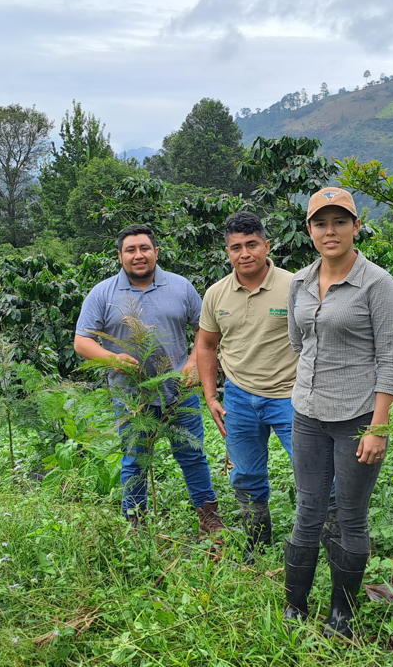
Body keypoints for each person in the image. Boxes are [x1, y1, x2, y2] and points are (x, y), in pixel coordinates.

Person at [283, 187, 393, 638]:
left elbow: (389, 359)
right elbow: (299, 341)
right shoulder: (299, 282)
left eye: (339, 222)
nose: (329, 231)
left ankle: (342, 615)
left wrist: (378, 427)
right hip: (308, 413)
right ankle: (295, 606)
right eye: (320, 223)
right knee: (308, 509)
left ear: (356, 226)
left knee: (350, 515)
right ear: (310, 230)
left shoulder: (377, 283)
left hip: (356, 419)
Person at [73, 224, 225, 536]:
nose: (138, 255)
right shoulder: (102, 293)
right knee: (134, 461)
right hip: (132, 398)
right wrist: (112, 359)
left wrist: (194, 362)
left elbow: (205, 329)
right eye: (130, 250)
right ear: (120, 256)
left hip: (179, 392)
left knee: (193, 455)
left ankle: (209, 519)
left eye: (144, 248)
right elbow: (82, 341)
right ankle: (136, 523)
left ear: (156, 252)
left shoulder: (181, 287)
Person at [196, 211, 298, 559]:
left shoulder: (294, 286)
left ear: (267, 246)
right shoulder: (216, 294)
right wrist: (211, 396)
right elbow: (206, 345)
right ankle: (258, 546)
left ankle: (324, 544)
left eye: (252, 244)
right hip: (238, 398)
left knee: (312, 471)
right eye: (236, 247)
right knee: (247, 476)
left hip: (290, 396)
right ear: (227, 252)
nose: (245, 254)